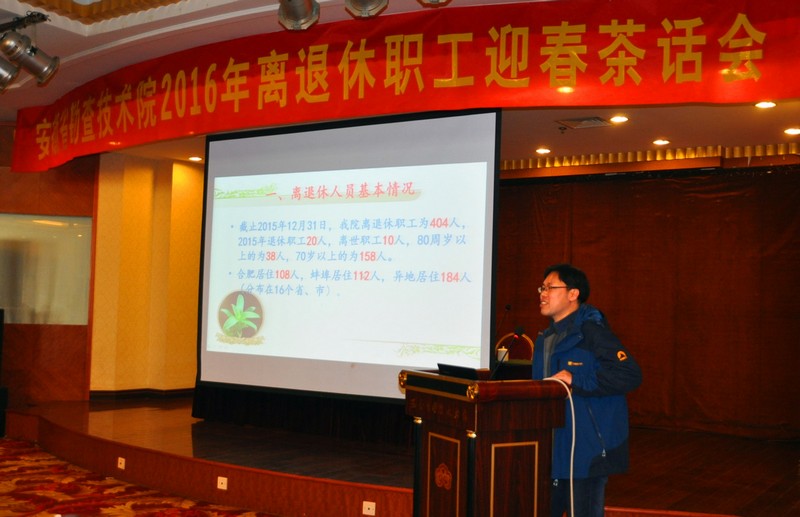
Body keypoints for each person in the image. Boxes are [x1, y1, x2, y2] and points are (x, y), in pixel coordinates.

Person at [532, 263, 642, 517]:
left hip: (585, 450)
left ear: (573, 293)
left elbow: (629, 374)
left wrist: (577, 379)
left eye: (550, 288)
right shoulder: (545, 339)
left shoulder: (592, 333)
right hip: (552, 450)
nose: (543, 294)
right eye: (541, 288)